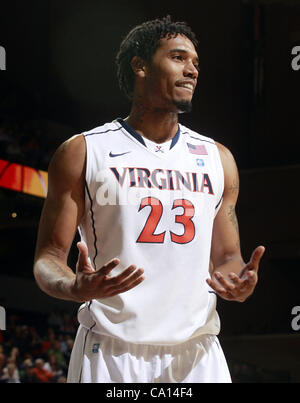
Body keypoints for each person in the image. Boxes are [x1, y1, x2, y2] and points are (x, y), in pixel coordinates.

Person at [33, 16, 265, 383]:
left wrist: (237, 280)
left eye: (196, 63)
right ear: (140, 65)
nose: (191, 70)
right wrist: (71, 287)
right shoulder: (84, 151)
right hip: (112, 350)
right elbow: (48, 258)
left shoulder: (218, 158)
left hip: (197, 352)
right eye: (178, 57)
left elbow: (226, 256)